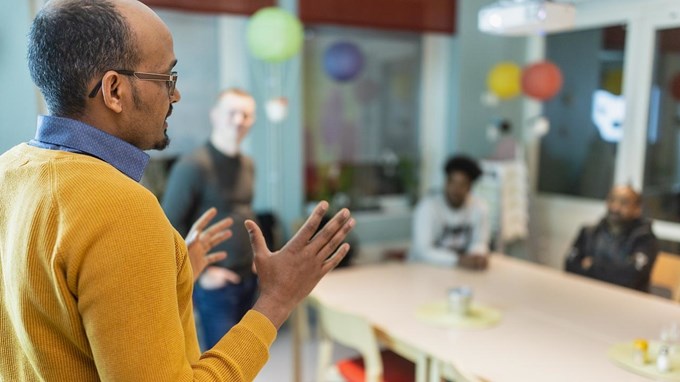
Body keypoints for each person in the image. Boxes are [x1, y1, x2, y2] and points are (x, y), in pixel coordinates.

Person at [0, 1, 354, 381]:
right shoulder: (122, 210)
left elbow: (53, 308)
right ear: (114, 90)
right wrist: (278, 299)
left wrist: (171, 268)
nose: (177, 95)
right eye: (167, 78)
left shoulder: (9, 169)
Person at [162, 88, 260, 348]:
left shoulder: (248, 164)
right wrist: (203, 274)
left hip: (248, 279)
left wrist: (256, 258)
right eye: (232, 113)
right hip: (215, 285)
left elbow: (243, 213)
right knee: (220, 367)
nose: (239, 120)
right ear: (215, 116)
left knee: (245, 359)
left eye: (246, 115)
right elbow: (167, 226)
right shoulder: (193, 165)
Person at [565, 185, 658, 292]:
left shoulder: (645, 239)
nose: (615, 207)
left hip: (628, 302)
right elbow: (570, 266)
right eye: (611, 200)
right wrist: (615, 269)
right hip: (588, 294)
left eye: (624, 203)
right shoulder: (589, 232)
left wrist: (592, 266)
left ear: (637, 209)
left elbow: (631, 277)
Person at [409, 155, 490, 270]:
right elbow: (422, 251)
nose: (456, 189)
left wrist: (477, 256)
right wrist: (458, 260)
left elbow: (480, 241)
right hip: (424, 271)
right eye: (452, 182)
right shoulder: (427, 208)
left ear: (469, 187)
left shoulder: (479, 208)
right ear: (446, 182)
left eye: (462, 184)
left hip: (461, 272)